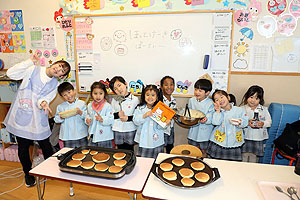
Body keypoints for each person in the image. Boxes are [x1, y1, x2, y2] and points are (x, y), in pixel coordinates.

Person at [4, 51, 71, 187]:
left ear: (61, 76)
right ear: (55, 63)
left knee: (45, 145)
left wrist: (43, 103)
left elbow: (43, 99)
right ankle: (28, 174)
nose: (58, 69)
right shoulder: (32, 69)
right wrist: (29, 61)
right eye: (59, 65)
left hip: (38, 117)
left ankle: (49, 171)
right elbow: (11, 74)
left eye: (62, 71)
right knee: (23, 147)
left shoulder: (54, 85)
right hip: (22, 115)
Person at [206, 89, 249, 161]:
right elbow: (215, 122)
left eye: (222, 97)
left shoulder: (239, 110)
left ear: (228, 97)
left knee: (233, 164)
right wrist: (218, 111)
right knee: (216, 162)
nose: (220, 100)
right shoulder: (216, 112)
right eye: (217, 99)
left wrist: (239, 122)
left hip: (234, 143)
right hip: (219, 142)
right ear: (215, 103)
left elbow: (245, 122)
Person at [133, 85, 170, 158]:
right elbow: (135, 121)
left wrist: (165, 123)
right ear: (144, 96)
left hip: (156, 140)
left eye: (153, 95)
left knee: (156, 160)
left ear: (157, 97)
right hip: (144, 140)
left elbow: (161, 127)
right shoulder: (140, 108)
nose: (150, 97)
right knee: (144, 161)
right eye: (147, 95)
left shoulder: (160, 109)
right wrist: (144, 115)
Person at [240, 85, 272, 162]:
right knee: (243, 155)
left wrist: (263, 123)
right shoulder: (241, 109)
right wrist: (247, 123)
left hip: (258, 138)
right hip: (245, 137)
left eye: (256, 98)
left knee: (254, 157)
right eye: (251, 97)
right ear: (246, 97)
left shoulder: (263, 109)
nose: (253, 100)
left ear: (260, 100)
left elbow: (269, 122)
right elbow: (239, 122)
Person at [109, 76, 139, 151]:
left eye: (119, 85)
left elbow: (137, 116)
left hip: (130, 128)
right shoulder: (114, 100)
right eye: (115, 89)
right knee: (120, 150)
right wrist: (117, 115)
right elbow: (111, 115)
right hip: (118, 129)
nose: (119, 89)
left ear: (125, 84)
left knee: (129, 150)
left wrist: (128, 118)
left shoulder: (135, 99)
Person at [54, 82, 88, 148]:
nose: (68, 96)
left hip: (81, 134)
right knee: (69, 153)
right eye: (65, 95)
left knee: (84, 152)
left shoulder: (81, 103)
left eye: (69, 92)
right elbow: (56, 120)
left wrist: (80, 112)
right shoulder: (60, 107)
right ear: (62, 97)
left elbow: (86, 117)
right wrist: (61, 117)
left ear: (74, 91)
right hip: (67, 136)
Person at [187, 79, 214, 157]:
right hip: (193, 131)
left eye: (200, 90)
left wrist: (206, 119)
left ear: (207, 92)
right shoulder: (192, 100)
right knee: (193, 150)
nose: (197, 92)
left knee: (204, 151)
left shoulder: (211, 103)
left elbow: (212, 115)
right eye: (195, 89)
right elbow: (189, 112)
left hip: (205, 133)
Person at [85, 82, 114, 147]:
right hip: (93, 134)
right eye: (95, 93)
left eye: (100, 93)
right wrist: (87, 120)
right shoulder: (90, 105)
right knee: (92, 153)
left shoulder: (107, 106)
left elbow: (111, 119)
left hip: (104, 137)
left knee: (105, 154)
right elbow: (88, 115)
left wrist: (102, 119)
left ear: (104, 94)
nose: (98, 96)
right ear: (91, 94)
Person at [159, 76, 176, 154]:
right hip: (161, 129)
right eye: (166, 84)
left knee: (170, 147)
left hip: (170, 128)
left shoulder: (173, 99)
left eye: (171, 84)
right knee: (160, 148)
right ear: (161, 87)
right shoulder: (158, 99)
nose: (169, 87)